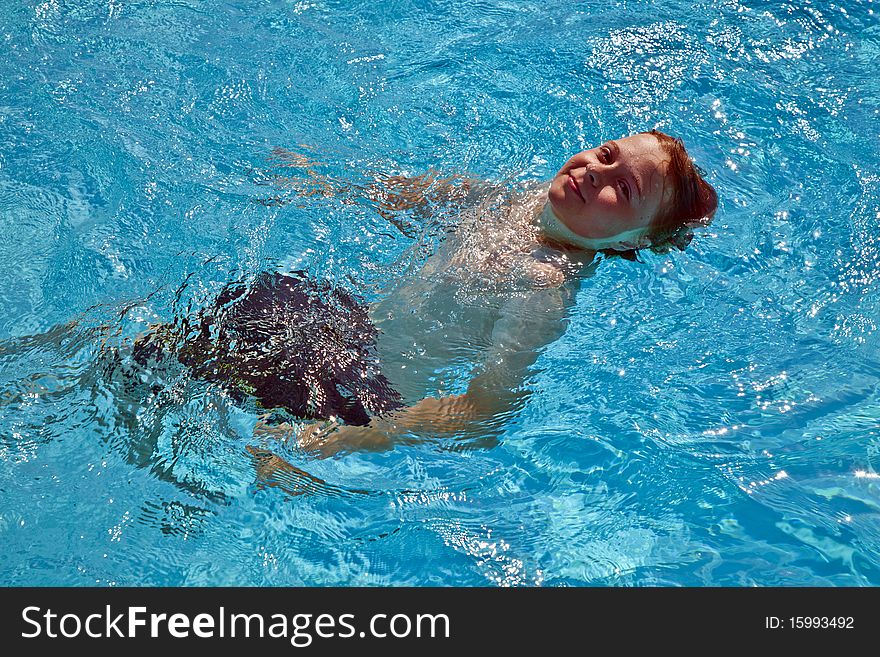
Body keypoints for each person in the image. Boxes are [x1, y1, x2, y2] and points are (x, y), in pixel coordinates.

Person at [136, 130, 716, 466]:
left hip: (353, 394)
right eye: (608, 153)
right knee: (154, 345)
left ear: (636, 239)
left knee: (175, 420)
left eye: (624, 187)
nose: (597, 172)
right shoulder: (507, 200)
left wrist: (345, 441)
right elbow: (404, 195)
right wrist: (321, 181)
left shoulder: (544, 288)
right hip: (340, 327)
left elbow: (486, 413)